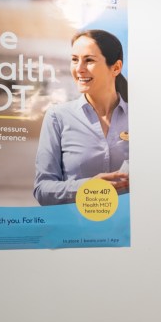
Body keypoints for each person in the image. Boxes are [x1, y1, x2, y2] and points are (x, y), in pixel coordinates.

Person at [34, 29, 129, 205]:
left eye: (89, 60)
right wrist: (87, 188)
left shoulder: (138, 118)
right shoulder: (58, 117)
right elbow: (42, 190)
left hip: (129, 230)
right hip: (75, 230)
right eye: (74, 60)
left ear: (116, 67)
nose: (79, 69)